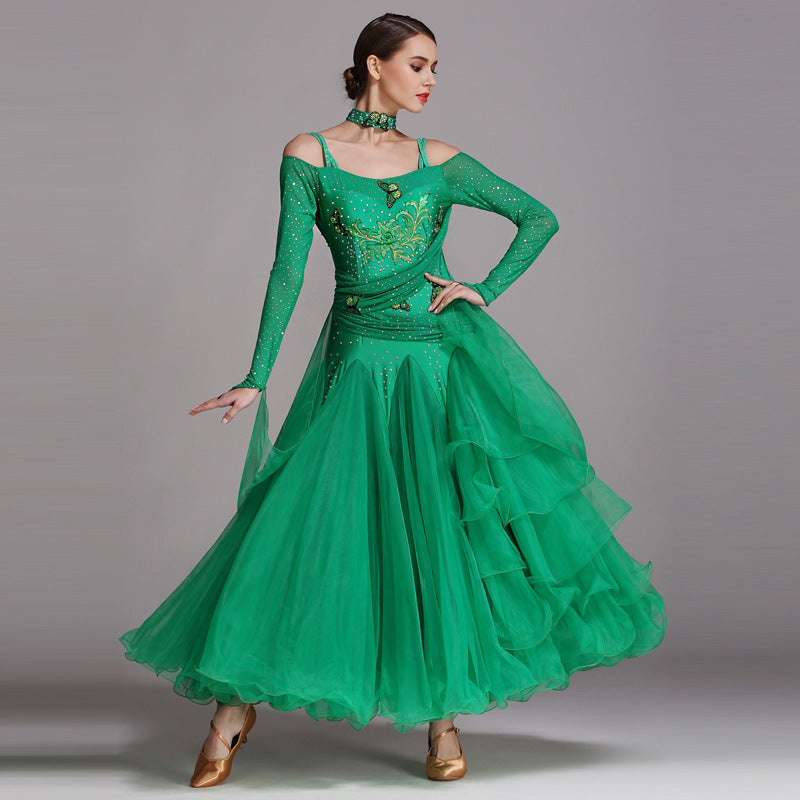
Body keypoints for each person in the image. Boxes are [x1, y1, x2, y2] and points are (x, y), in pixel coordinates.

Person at [119, 12, 666, 787]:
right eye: (418, 64)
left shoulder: (438, 161)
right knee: (300, 524)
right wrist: (257, 374)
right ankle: (232, 712)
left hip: (434, 367)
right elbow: (288, 270)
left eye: (436, 67)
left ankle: (442, 716)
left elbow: (537, 218)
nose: (431, 80)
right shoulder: (308, 155)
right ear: (374, 66)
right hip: (353, 364)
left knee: (437, 529)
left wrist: (483, 289)